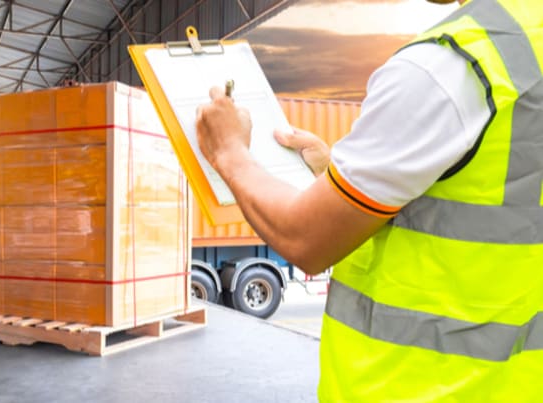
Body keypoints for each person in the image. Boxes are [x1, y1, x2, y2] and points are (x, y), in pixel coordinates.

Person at [196, 0, 543, 401]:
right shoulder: (527, 48)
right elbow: (497, 207)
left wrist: (229, 153)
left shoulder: (454, 64)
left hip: (415, 386)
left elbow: (304, 239)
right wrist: (336, 175)